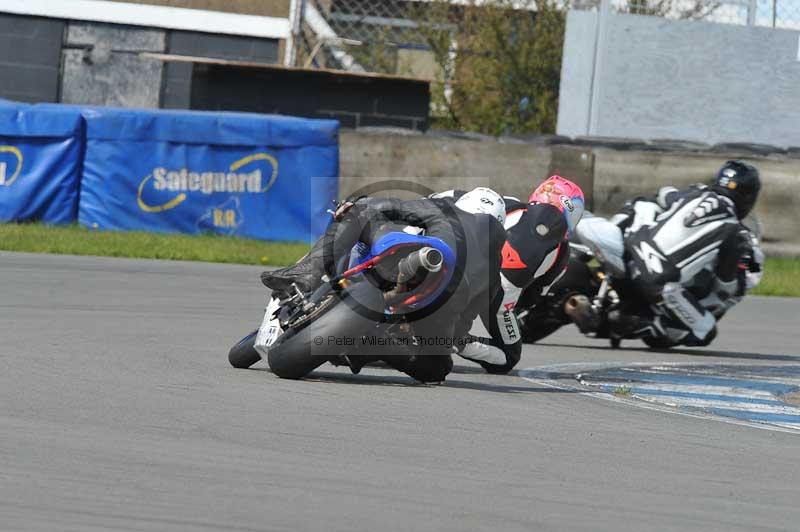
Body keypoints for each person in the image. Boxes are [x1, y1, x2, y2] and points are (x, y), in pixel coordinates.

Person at [261, 187, 508, 383]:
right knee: (436, 368)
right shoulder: (494, 276)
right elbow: (461, 324)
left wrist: (357, 205)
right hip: (447, 298)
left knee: (359, 214)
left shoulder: (448, 209)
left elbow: (392, 206)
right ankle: (377, 343)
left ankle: (304, 275)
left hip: (415, 254)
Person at [599, 160, 763, 346]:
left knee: (642, 204)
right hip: (659, 277)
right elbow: (727, 280)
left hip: (633, 247)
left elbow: (664, 194)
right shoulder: (736, 232)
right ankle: (644, 323)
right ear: (748, 197)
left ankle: (590, 256)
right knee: (705, 332)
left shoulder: (695, 192)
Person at [435, 176, 586, 373]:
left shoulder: (506, 202)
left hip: (458, 265)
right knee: (508, 357)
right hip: (495, 293)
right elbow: (534, 297)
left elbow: (451, 197)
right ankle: (457, 341)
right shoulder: (561, 254)